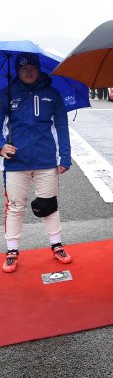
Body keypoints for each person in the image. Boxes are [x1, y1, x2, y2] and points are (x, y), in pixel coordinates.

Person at [1, 54, 72, 273]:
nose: (28, 72)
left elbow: (62, 126)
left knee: (49, 205)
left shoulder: (52, 94)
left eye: (32, 68)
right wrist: (1, 146)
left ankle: (57, 245)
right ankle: (12, 250)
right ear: (17, 71)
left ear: (39, 69)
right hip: (16, 162)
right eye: (24, 69)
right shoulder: (6, 94)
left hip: (46, 160)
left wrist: (65, 157)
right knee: (15, 207)